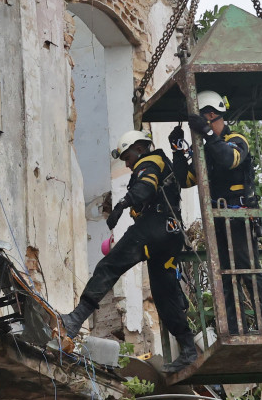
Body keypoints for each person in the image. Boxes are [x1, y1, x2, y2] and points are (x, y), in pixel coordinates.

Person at [59, 130, 198, 373]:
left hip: (152, 229)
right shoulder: (164, 162)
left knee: (109, 267)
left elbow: (146, 187)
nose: (127, 162)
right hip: (171, 234)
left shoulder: (149, 161)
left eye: (128, 156)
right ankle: (188, 348)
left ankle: (75, 319)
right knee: (164, 294)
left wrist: (123, 204)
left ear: (140, 148)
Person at [174, 90, 262, 335]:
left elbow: (229, 160)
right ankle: (232, 327)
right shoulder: (207, 149)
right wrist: (177, 152)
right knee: (224, 273)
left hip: (240, 217)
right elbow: (186, 179)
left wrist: (208, 133)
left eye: (201, 121)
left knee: (247, 268)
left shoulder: (237, 139)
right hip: (219, 220)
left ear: (211, 115)